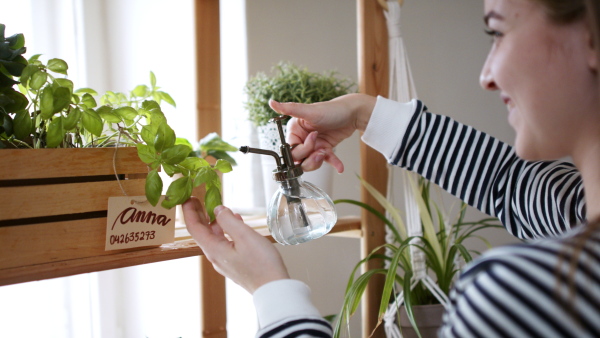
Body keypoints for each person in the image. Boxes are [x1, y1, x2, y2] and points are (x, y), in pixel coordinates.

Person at [183, 0, 600, 336]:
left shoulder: (522, 297)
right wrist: (365, 114)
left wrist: (272, 292)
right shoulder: (580, 219)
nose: (486, 75)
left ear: (591, 38)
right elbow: (508, 186)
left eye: (498, 32)